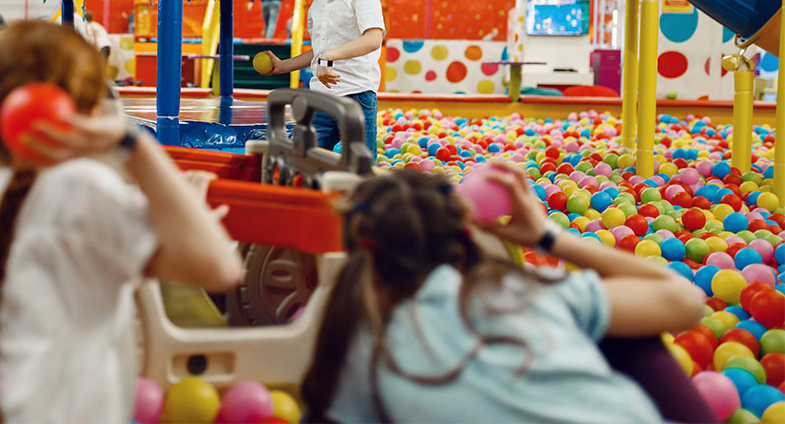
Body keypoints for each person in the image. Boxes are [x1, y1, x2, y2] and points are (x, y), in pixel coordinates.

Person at [0, 21, 242, 424]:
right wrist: (133, 144)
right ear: (86, 115)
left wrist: (172, 216)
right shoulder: (84, 189)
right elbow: (220, 268)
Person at [302, 166, 712, 423]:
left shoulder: (355, 344)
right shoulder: (523, 290)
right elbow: (687, 300)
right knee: (625, 332)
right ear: (463, 244)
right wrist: (547, 237)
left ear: (362, 256)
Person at [257, 0, 384, 158]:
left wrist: (330, 56)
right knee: (310, 155)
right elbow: (319, 50)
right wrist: (283, 66)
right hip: (321, 95)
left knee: (360, 158)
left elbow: (373, 39)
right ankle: (313, 193)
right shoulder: (319, 2)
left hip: (356, 93)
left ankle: (360, 194)